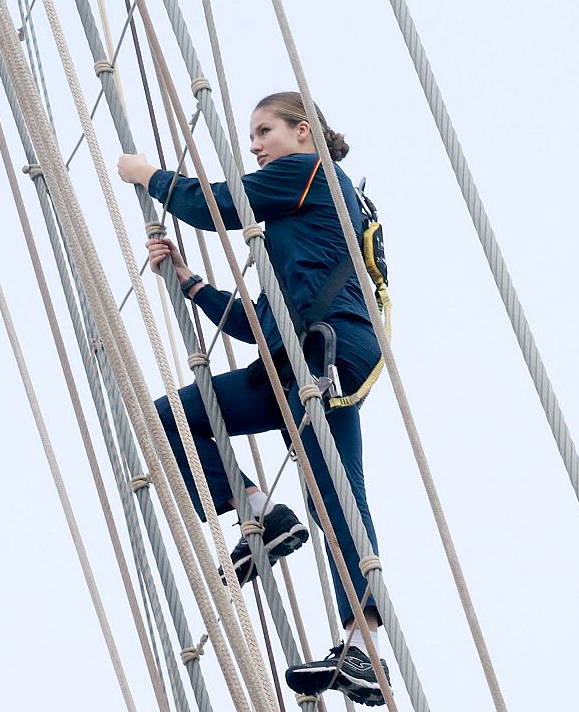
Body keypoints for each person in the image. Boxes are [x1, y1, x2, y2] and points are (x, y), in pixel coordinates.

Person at [116, 91, 391, 706]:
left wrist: (147, 175)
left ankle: (365, 645)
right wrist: (189, 282)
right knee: (170, 420)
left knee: (337, 493)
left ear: (302, 132)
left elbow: (212, 204)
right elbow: (255, 325)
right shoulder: (293, 235)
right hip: (289, 359)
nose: (256, 145)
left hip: (329, 356)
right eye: (253, 136)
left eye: (265, 131)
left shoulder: (313, 173)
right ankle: (260, 513)